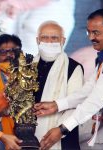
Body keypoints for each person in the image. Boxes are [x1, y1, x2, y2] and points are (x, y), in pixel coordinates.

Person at [34, 8, 103, 150]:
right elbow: (88, 90)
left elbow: (95, 100)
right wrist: (56, 105)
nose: (90, 38)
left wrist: (62, 129)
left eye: (96, 32)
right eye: (88, 32)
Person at [33, 21, 84, 149]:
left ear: (63, 40)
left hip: (63, 136)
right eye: (44, 37)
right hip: (29, 135)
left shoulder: (73, 67)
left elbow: (75, 103)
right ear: (37, 40)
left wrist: (60, 130)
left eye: (54, 38)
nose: (49, 42)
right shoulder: (27, 66)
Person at [0, 34, 22, 150]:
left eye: (13, 51)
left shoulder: (32, 78)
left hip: (27, 134)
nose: (9, 55)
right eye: (3, 52)